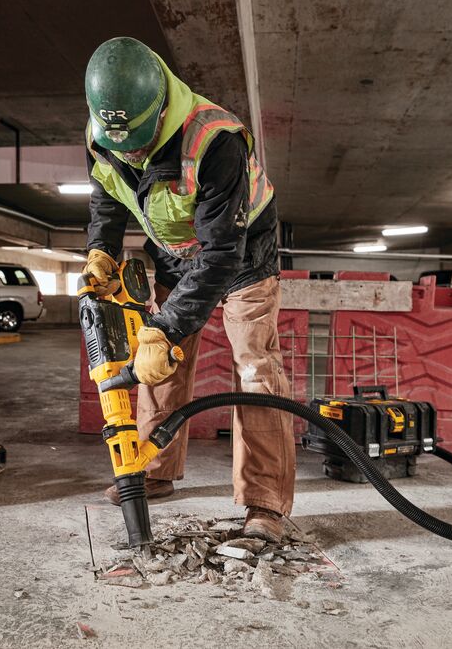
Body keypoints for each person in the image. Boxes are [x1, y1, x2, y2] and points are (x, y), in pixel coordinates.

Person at [82, 36, 294, 542]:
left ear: (159, 112)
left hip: (241, 248)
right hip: (175, 249)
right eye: (121, 144)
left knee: (254, 367)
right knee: (156, 363)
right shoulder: (103, 134)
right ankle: (152, 469)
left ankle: (265, 502)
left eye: (138, 140)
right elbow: (108, 198)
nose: (129, 152)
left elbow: (223, 253)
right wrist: (101, 252)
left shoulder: (214, 139)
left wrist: (167, 326)